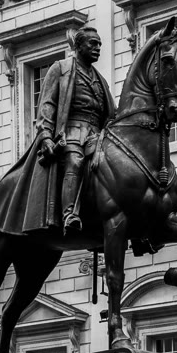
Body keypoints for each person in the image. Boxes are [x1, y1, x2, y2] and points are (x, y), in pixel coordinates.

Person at [35, 24, 116, 234]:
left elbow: (111, 113)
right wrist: (45, 136)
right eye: (93, 44)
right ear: (78, 46)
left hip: (97, 134)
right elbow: (47, 104)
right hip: (71, 130)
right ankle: (69, 214)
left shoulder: (100, 80)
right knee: (75, 160)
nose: (98, 48)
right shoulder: (60, 68)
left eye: (100, 44)